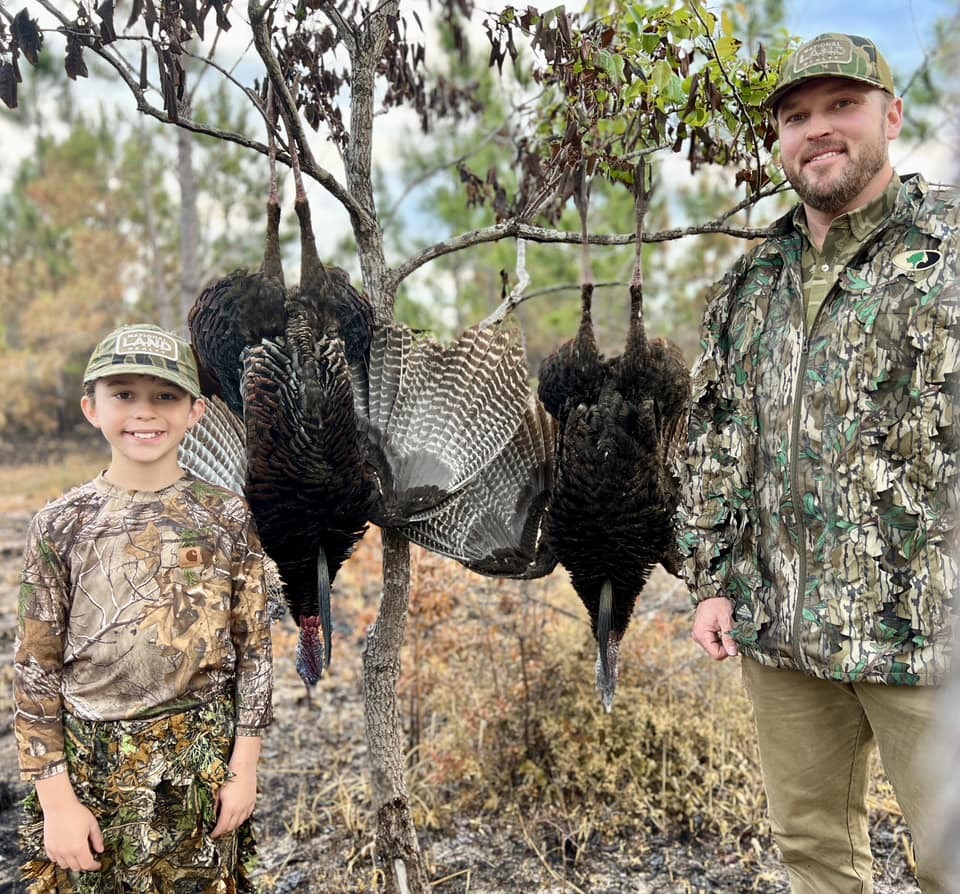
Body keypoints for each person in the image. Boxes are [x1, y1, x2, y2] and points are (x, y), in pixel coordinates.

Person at [676, 32, 958, 894]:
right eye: (797, 116)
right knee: (814, 858)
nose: (818, 130)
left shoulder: (947, 247)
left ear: (892, 115)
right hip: (785, 633)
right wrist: (712, 577)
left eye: (842, 106)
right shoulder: (753, 277)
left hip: (931, 639)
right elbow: (715, 431)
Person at [14, 323, 274, 893]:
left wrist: (244, 768)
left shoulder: (226, 516)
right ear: (91, 408)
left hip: (199, 767)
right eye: (124, 394)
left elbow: (255, 650)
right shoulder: (61, 524)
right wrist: (57, 801)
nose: (145, 412)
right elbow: (35, 670)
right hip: (93, 772)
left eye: (165, 396)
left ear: (194, 412)